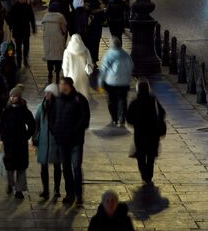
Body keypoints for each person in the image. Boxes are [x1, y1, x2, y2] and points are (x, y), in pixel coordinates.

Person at [52, 76, 91, 207]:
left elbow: (85, 119)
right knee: (66, 168)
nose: (60, 86)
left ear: (68, 85)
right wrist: (55, 132)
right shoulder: (58, 100)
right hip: (62, 141)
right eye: (60, 84)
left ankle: (79, 195)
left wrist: (74, 132)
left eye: (62, 84)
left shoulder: (79, 100)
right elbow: (53, 117)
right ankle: (70, 194)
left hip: (75, 141)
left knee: (76, 168)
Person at [124, 79, 166, 186]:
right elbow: (162, 113)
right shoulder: (153, 100)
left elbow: (128, 118)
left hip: (140, 133)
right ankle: (149, 176)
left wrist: (135, 123)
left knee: (141, 156)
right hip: (153, 133)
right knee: (151, 156)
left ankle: (144, 175)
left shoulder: (135, 102)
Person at [0, 84, 37, 199]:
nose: (12, 98)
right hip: (9, 143)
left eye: (14, 96)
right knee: (9, 167)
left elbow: (32, 124)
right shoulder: (7, 110)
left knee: (21, 167)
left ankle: (19, 190)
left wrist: (26, 136)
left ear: (19, 97)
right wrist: (3, 137)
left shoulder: (24, 110)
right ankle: (11, 184)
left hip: (20, 143)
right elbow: (2, 126)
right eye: (11, 96)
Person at [34, 84, 64, 201]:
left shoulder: (59, 108)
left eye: (48, 93)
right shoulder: (42, 107)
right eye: (45, 92)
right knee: (43, 167)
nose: (46, 94)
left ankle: (56, 189)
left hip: (55, 142)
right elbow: (36, 121)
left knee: (57, 166)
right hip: (43, 142)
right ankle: (46, 190)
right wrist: (35, 137)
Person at [99, 36, 134, 126]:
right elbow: (131, 67)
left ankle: (114, 118)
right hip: (124, 82)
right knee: (123, 100)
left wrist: (100, 83)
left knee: (112, 101)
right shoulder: (125, 54)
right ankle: (122, 118)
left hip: (111, 82)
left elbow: (103, 70)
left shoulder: (108, 55)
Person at [40, 3, 69, 85]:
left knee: (49, 58)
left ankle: (49, 74)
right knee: (58, 59)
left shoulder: (45, 18)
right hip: (58, 41)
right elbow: (64, 30)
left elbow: (43, 30)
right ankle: (57, 76)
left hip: (48, 42)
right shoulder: (60, 17)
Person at [7, 0, 36, 65]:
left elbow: (32, 18)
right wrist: (10, 27)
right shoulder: (14, 7)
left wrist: (33, 27)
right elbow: (11, 18)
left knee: (26, 46)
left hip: (26, 29)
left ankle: (25, 59)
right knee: (18, 47)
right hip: (17, 30)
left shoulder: (27, 6)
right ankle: (19, 61)